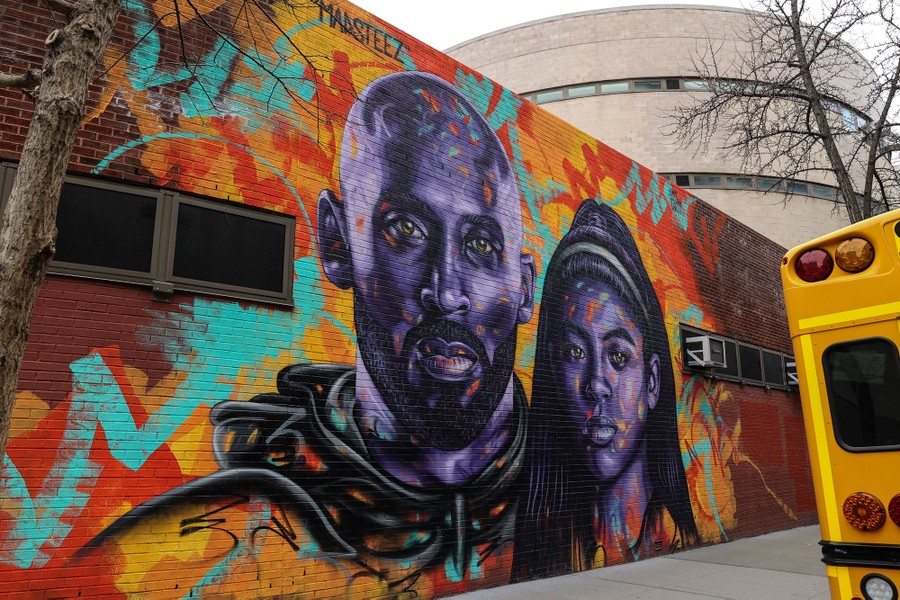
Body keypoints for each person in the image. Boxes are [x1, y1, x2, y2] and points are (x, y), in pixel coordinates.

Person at [81, 71, 536, 596]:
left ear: (524, 288)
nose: (447, 290)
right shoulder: (231, 522)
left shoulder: (564, 481)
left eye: (481, 245)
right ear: (336, 243)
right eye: (406, 231)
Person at [512, 200, 698, 581]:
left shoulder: (677, 539)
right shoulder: (546, 550)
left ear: (652, 380)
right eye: (575, 352)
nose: (596, 384)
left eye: (617, 355)